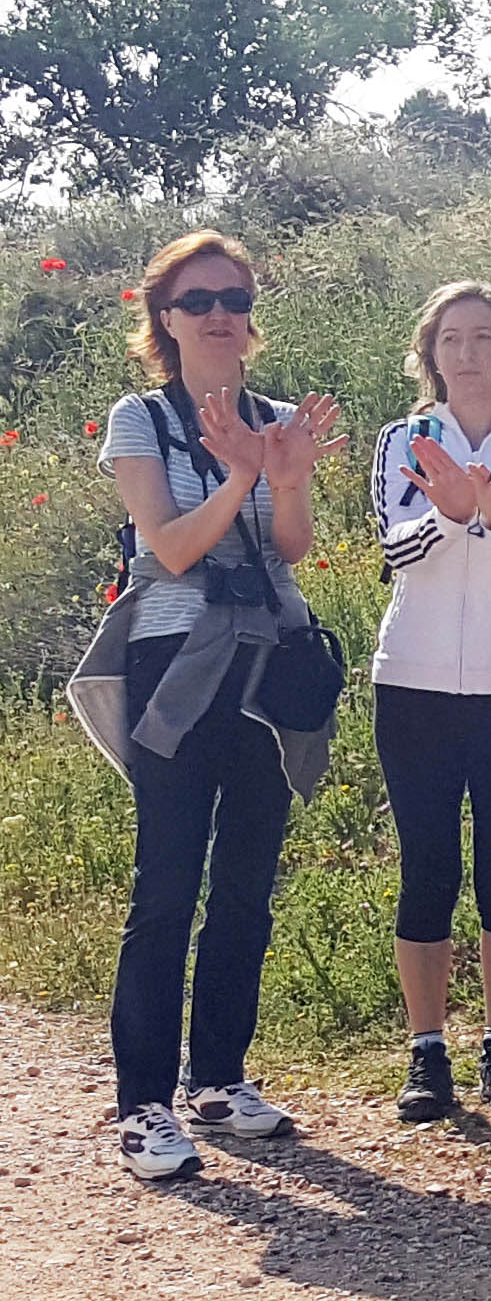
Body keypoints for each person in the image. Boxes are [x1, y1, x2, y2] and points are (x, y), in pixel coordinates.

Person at [75, 231, 344, 1181]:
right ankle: (143, 1102)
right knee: (168, 885)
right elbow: (174, 548)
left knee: (245, 886)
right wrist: (240, 472)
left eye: (233, 295)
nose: (220, 312)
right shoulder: (140, 418)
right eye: (198, 301)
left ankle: (220, 1077)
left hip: (268, 672)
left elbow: (295, 548)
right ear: (165, 320)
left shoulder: (275, 417)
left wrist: (290, 475)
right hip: (176, 665)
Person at [368, 281, 491, 1124]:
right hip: (412, 681)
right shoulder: (402, 440)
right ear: (430, 353)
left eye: (485, 337)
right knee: (427, 866)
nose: (468, 353)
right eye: (451, 338)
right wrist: (457, 516)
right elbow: (398, 549)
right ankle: (426, 1050)